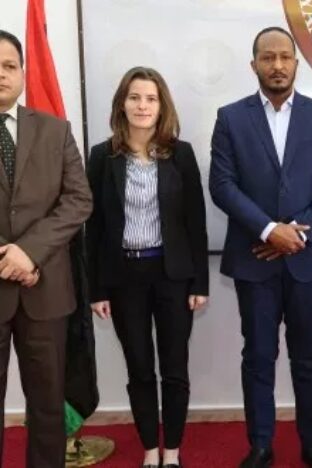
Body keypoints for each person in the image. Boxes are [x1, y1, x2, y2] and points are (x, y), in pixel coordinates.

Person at [209, 27, 312, 468]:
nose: (277, 65)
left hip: (308, 260)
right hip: (255, 260)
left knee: (309, 357)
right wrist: (270, 230)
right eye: (268, 58)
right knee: (258, 357)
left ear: (297, 63)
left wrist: (298, 233)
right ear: (254, 64)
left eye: (285, 57)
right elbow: (222, 185)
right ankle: (260, 445)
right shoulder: (230, 118)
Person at [86, 66, 209, 468]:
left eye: (151, 99)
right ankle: (150, 452)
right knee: (139, 369)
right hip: (124, 278)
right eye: (135, 97)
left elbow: (195, 223)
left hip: (173, 276)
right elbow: (94, 227)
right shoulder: (102, 157)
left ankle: (171, 453)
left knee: (174, 370)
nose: (143, 106)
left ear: (162, 106)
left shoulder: (181, 154)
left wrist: (200, 283)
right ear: (122, 104)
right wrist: (96, 289)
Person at [0, 30, 92, 467]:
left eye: (9, 66)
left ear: (23, 73)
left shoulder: (56, 130)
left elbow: (79, 200)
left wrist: (29, 253)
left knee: (48, 407)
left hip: (46, 290)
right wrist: (7, 256)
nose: (1, 74)